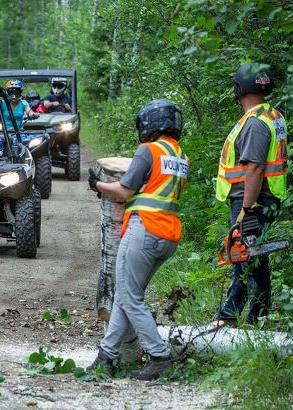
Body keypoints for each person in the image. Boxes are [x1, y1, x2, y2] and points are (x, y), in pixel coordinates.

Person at [86, 99, 189, 381]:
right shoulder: (180, 157)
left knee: (130, 298)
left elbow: (123, 191)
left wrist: (97, 184)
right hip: (167, 236)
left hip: (144, 230)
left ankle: (159, 357)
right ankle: (105, 356)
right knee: (125, 294)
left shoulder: (149, 150)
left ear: (149, 124)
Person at [215, 63, 288, 326]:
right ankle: (258, 316)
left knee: (243, 257)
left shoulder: (256, 123)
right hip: (264, 199)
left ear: (240, 88)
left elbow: (255, 168)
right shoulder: (272, 115)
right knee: (253, 257)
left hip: (252, 200)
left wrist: (246, 209)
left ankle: (230, 317)